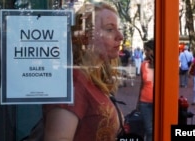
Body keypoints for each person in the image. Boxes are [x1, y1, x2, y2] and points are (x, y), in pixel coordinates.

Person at [42, 2, 124, 141]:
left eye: (119, 29)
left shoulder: (93, 78)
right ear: (85, 36)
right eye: (110, 29)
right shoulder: (73, 81)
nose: (120, 36)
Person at [138, 40, 154, 141]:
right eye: (145, 50)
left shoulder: (163, 64)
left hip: (159, 102)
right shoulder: (144, 64)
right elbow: (141, 84)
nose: (146, 52)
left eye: (148, 50)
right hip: (145, 102)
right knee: (149, 130)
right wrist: (138, 102)